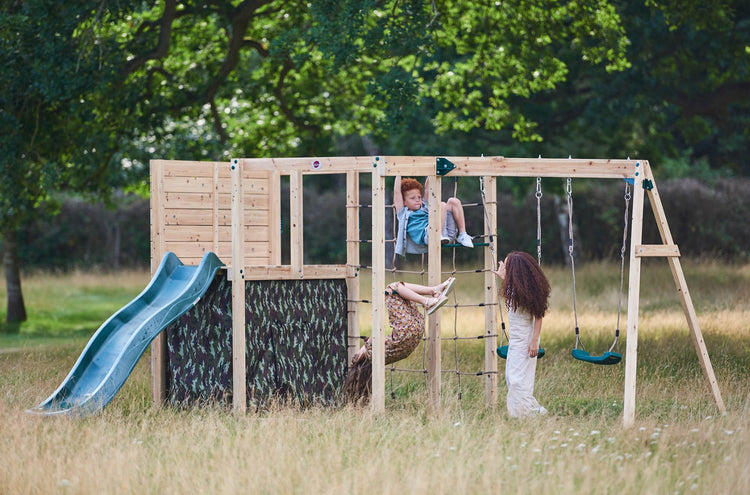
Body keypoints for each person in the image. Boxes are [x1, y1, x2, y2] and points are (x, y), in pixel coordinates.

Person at [344, 277, 456, 402]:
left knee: (399, 291)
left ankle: (434, 292)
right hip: (405, 331)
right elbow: (377, 328)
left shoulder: (379, 358)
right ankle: (429, 299)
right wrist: (376, 312)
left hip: (415, 331)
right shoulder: (371, 352)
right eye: (357, 354)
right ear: (360, 358)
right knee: (392, 287)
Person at [491, 251, 551, 417]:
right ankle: (534, 411)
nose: (506, 269)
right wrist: (503, 277)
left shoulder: (527, 293)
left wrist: (534, 341)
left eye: (508, 266)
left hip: (526, 339)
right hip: (516, 341)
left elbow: (538, 316)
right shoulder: (514, 287)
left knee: (518, 380)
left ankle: (521, 414)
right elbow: (511, 290)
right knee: (512, 378)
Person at [394, 176, 474, 257]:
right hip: (429, 236)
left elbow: (428, 189)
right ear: (404, 202)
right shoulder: (403, 213)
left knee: (453, 201)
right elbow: (397, 192)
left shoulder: (424, 207)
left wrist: (433, 169)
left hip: (447, 235)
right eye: (412, 198)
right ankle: (437, 235)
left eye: (419, 197)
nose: (417, 200)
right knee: (441, 205)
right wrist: (398, 173)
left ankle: (462, 234)